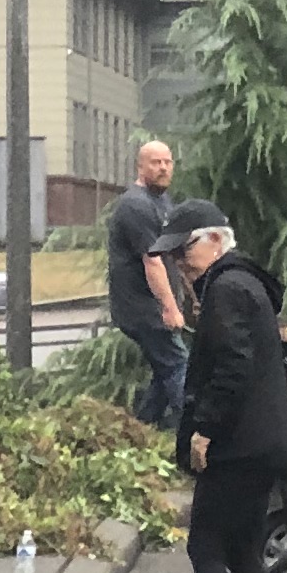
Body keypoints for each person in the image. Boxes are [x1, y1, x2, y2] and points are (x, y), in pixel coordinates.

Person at [154, 200, 287, 573]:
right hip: (262, 440)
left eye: (185, 250)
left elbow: (233, 368)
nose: (180, 263)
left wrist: (205, 430)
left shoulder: (226, 288)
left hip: (238, 445)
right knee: (243, 550)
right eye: (174, 256)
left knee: (207, 546)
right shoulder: (243, 284)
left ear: (216, 240)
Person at [105, 136, 190, 427]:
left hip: (154, 306)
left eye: (168, 162)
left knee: (163, 368)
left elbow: (173, 254)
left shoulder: (162, 201)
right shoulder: (135, 206)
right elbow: (152, 260)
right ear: (141, 167)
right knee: (178, 364)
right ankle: (191, 430)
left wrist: (189, 296)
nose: (163, 168)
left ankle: (143, 428)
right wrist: (169, 308)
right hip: (142, 308)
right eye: (156, 162)